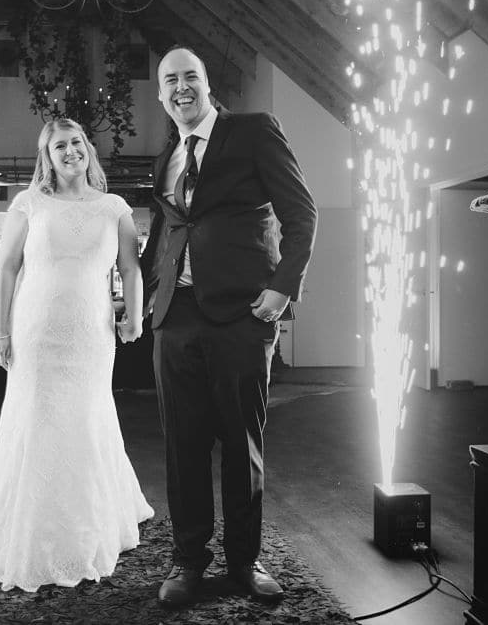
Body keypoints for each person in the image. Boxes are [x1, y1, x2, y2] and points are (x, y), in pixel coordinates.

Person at [140, 46, 318, 607]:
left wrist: (284, 286)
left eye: (190, 76)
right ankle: (188, 561)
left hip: (243, 315)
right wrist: (143, 296)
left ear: (208, 83)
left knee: (243, 445)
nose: (180, 87)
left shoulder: (253, 131)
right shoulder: (164, 155)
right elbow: (166, 233)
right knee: (182, 447)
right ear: (161, 94)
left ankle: (245, 560)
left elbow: (301, 212)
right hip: (176, 317)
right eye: (170, 80)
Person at [0, 118, 153, 592]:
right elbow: (7, 271)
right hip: (35, 333)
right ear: (47, 156)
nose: (70, 151)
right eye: (60, 146)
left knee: (87, 419)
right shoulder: (28, 204)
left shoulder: (114, 207)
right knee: (37, 421)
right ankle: (33, 535)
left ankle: (90, 527)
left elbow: (131, 268)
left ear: (88, 150)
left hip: (91, 336)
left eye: (76, 143)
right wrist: (0, 331)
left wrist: (133, 316)